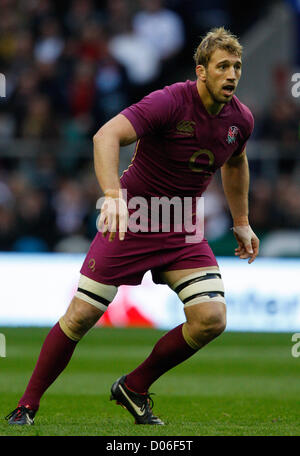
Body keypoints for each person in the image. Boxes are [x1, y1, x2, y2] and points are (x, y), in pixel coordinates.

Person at [6, 27, 259, 426]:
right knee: (80, 316)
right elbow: (106, 135)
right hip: (133, 218)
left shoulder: (240, 119)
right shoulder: (170, 101)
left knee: (211, 318)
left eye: (237, 67)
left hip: (181, 227)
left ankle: (134, 386)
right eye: (222, 66)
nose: (232, 75)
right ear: (201, 71)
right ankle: (27, 404)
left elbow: (236, 162)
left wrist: (242, 222)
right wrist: (111, 195)